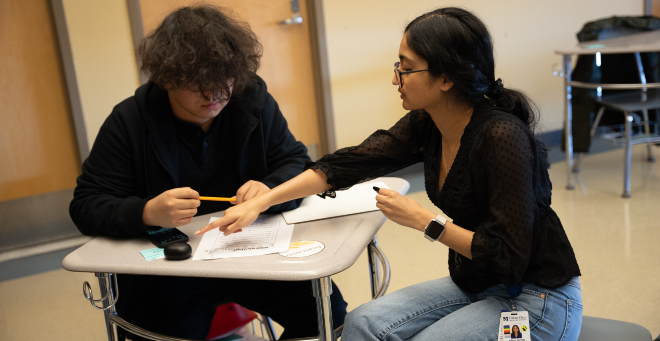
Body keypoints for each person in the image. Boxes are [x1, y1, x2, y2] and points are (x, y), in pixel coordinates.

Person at [196, 7, 583, 341]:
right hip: (481, 282)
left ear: (446, 79)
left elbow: (508, 258)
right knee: (364, 322)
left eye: (406, 67)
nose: (395, 77)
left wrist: (426, 222)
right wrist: (262, 201)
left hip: (540, 300)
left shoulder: (501, 136)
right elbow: (346, 164)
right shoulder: (429, 123)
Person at [69, 5, 347, 340]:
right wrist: (147, 212)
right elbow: (86, 205)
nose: (215, 94)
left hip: (252, 254)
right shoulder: (129, 121)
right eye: (198, 84)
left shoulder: (250, 99)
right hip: (171, 270)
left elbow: (295, 162)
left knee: (326, 312)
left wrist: (268, 192)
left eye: (225, 80)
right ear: (167, 78)